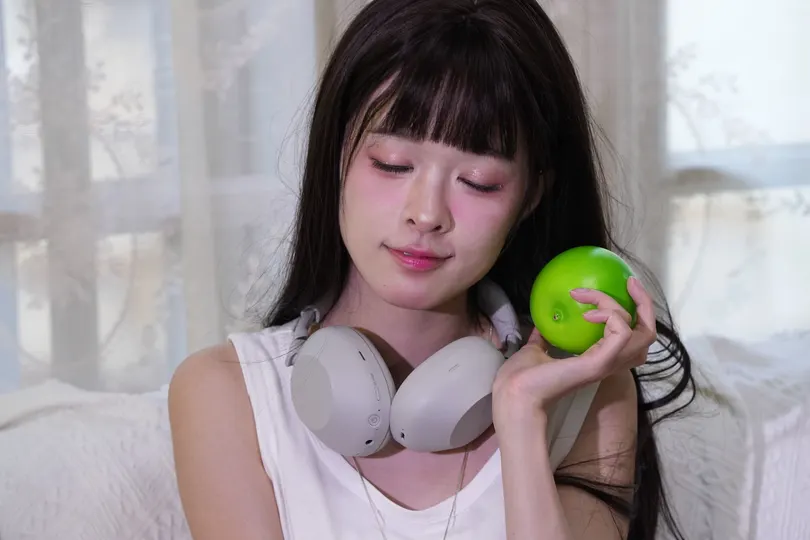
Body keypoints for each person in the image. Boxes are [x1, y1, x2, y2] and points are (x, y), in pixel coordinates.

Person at [168, 0, 694, 539]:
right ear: (336, 154)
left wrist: (520, 413)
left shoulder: (588, 393)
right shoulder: (227, 395)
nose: (426, 214)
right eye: (392, 164)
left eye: (478, 181)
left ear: (530, 195)